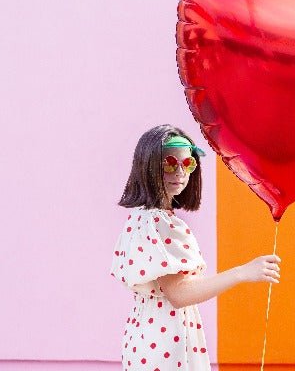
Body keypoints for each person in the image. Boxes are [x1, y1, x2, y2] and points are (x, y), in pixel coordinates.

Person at [110, 124, 281, 371]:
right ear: (148, 166)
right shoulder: (156, 222)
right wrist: (243, 272)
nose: (180, 172)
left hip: (152, 335)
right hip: (164, 342)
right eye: (170, 164)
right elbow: (179, 294)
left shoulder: (145, 218)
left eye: (187, 164)